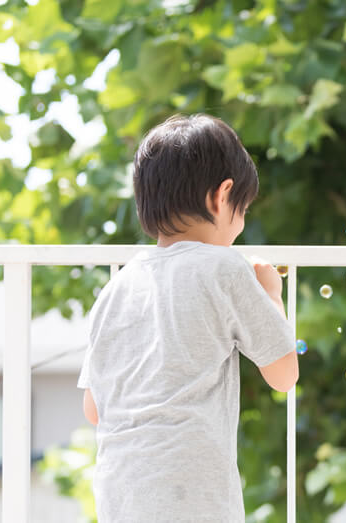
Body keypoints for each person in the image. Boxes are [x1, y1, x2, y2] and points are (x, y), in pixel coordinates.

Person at [78, 114, 299, 521]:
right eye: (243, 210)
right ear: (222, 196)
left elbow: (94, 409)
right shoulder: (224, 267)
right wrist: (272, 295)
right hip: (193, 490)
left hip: (120, 491)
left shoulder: (116, 288)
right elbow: (284, 374)